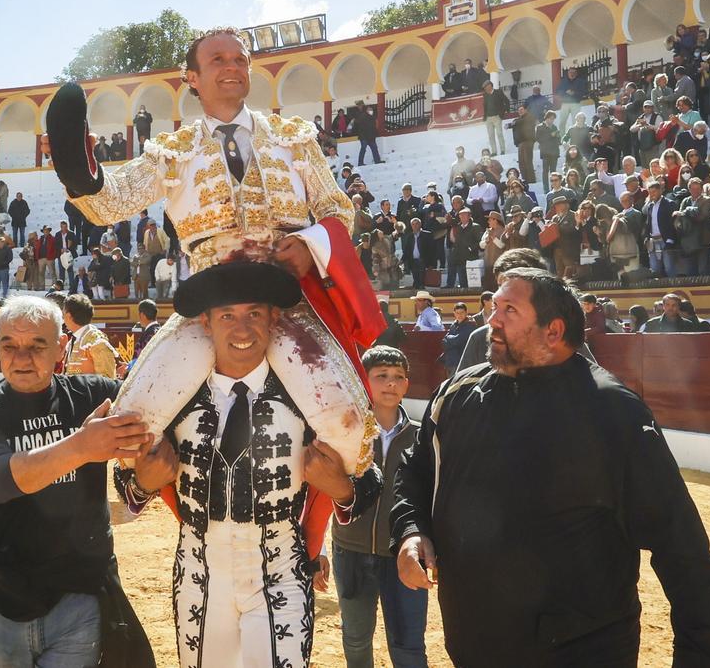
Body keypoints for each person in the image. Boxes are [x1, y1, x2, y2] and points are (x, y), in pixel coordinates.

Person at [47, 26, 381, 556]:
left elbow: (339, 209)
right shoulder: (172, 152)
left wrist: (312, 243)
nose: (231, 66)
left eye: (240, 59)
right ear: (193, 79)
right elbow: (110, 202)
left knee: (349, 427)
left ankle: (325, 519)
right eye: (217, 59)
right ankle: (141, 490)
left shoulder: (294, 138)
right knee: (133, 417)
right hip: (211, 308)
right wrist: (79, 172)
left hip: (285, 301)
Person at [390, 267, 710, 666]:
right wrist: (412, 531)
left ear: (553, 331)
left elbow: (683, 551)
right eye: (494, 307)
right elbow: (414, 470)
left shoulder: (613, 412)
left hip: (580, 651)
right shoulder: (457, 395)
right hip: (474, 647)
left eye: (509, 310)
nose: (492, 320)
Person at [114, 260, 380, 668]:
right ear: (206, 322)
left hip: (281, 567)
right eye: (227, 316)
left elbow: (367, 479)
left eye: (254, 313)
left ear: (274, 318)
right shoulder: (176, 398)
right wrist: (142, 486)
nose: (242, 330)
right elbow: (124, 480)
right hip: (199, 568)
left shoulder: (306, 398)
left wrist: (341, 489)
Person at [0, 296, 155, 666]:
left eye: (37, 346)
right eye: (10, 346)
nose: (22, 359)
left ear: (59, 347)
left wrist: (145, 479)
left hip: (79, 596)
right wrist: (82, 446)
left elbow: (161, 421)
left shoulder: (93, 396)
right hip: (5, 598)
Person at [330, 345, 426, 668]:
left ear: (407, 385)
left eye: (398, 377)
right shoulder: (346, 431)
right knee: (356, 639)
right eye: (382, 376)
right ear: (364, 380)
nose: (391, 383)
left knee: (409, 647)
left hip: (402, 553)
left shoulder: (421, 437)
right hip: (351, 550)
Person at [62, 293, 118, 378]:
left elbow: (108, 383)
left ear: (69, 316)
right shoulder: (73, 340)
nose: (63, 318)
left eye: (63, 314)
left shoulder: (98, 344)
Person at [439, 303, 477, 375]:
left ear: (466, 313)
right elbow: (443, 342)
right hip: (450, 361)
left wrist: (449, 338)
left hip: (462, 361)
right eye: (457, 313)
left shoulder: (470, 325)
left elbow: (458, 340)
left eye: (462, 312)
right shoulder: (453, 325)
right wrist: (450, 340)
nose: (459, 315)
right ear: (454, 313)